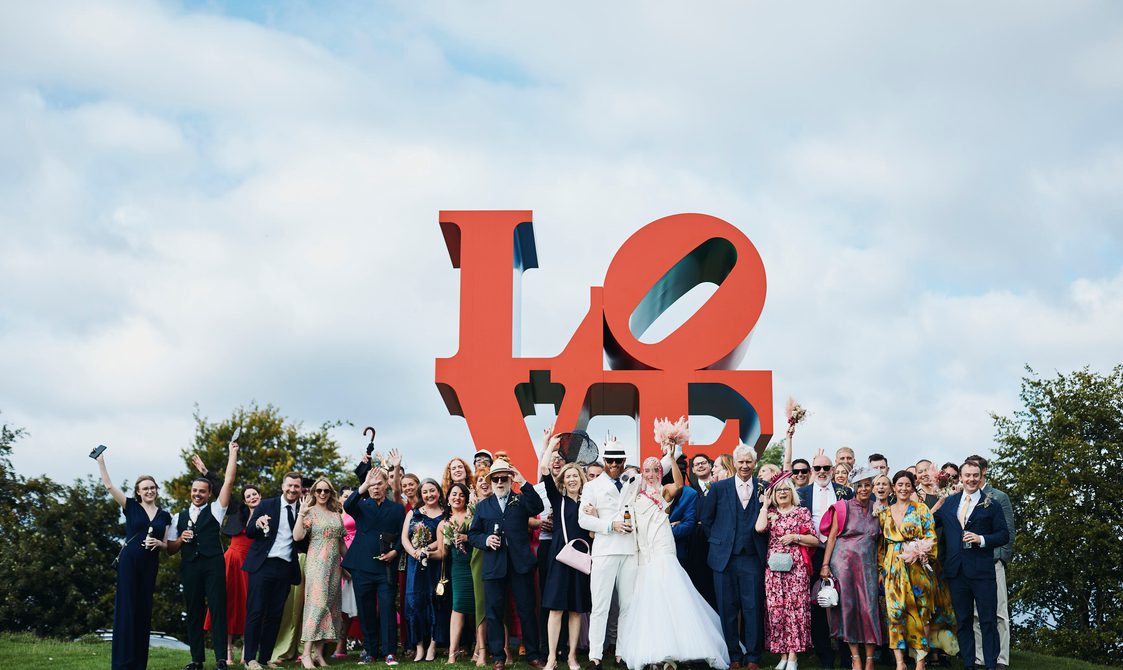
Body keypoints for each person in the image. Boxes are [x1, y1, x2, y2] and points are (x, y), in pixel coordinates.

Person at [616, 443, 729, 670]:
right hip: (644, 547)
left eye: (655, 470)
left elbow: (679, 484)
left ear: (661, 472)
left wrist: (669, 457)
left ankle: (685, 647)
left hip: (663, 545)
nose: (650, 474)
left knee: (671, 588)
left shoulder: (664, 490)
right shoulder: (636, 494)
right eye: (646, 470)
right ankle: (657, 652)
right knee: (650, 596)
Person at [166, 443, 240, 670]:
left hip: (214, 564)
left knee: (218, 609)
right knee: (194, 611)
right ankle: (196, 659)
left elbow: (228, 481)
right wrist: (180, 540)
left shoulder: (217, 510)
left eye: (202, 491)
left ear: (209, 494)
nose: (197, 494)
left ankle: (220, 659)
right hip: (190, 566)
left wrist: (232, 453)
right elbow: (170, 548)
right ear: (191, 492)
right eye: (195, 491)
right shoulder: (177, 516)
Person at [96, 453, 172, 670]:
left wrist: (159, 543)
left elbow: (167, 545)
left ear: (157, 490)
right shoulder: (130, 506)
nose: (149, 491)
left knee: (143, 610)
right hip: (130, 562)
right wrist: (101, 462)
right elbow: (110, 486)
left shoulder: (165, 515)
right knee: (126, 609)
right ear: (138, 492)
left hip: (150, 564)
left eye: (152, 487)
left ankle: (139, 664)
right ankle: (122, 663)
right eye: (145, 488)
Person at [468, 458, 546, 670]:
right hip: (494, 565)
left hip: (520, 564)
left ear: (510, 479)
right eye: (496, 478)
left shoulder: (520, 500)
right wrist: (486, 540)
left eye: (504, 478)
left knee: (527, 610)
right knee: (493, 612)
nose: (500, 482)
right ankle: (498, 657)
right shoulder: (484, 506)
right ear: (491, 481)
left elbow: (538, 506)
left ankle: (533, 655)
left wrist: (523, 481)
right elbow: (473, 534)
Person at [933, 462, 1009, 670]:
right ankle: (969, 665)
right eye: (967, 475)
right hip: (956, 572)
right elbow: (929, 522)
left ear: (981, 476)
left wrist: (981, 538)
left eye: (975, 475)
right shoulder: (949, 503)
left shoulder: (991, 504)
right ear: (961, 477)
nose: (971, 479)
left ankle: (992, 665)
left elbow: (1004, 535)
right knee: (964, 621)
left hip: (982, 572)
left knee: (988, 621)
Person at [699, 444, 768, 670]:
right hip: (723, 559)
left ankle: (753, 657)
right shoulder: (719, 488)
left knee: (753, 608)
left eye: (749, 462)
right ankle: (734, 656)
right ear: (735, 463)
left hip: (752, 558)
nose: (745, 466)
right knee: (727, 610)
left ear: (754, 463)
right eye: (741, 462)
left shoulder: (764, 487)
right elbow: (706, 520)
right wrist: (720, 541)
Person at [877, 471, 952, 670]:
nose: (903, 488)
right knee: (895, 613)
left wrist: (925, 552)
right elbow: (881, 545)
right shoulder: (884, 513)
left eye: (907, 485)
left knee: (922, 613)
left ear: (912, 487)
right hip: (893, 568)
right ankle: (900, 663)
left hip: (918, 567)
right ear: (894, 487)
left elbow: (931, 536)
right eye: (899, 484)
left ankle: (920, 663)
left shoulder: (921, 510)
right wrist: (880, 569)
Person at [578, 440, 639, 670]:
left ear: (624, 461)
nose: (614, 464)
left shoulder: (633, 483)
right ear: (604, 461)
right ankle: (595, 656)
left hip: (630, 550)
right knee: (600, 606)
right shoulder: (592, 486)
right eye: (609, 460)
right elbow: (583, 519)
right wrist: (610, 525)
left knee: (628, 605)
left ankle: (621, 654)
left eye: (618, 460)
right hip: (604, 550)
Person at [820, 466, 883, 670]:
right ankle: (855, 657)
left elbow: (883, 542)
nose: (864, 489)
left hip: (868, 566)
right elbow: (831, 537)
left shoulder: (879, 509)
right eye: (860, 486)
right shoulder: (842, 506)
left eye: (867, 485)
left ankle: (870, 659)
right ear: (854, 487)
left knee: (869, 609)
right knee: (847, 609)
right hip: (844, 564)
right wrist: (825, 564)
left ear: (872, 487)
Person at [537, 438, 593, 670]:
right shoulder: (557, 499)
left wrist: (594, 513)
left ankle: (571, 656)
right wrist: (550, 444)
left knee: (576, 610)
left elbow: (593, 532)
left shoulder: (589, 502)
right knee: (556, 609)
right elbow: (543, 468)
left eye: (575, 476)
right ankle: (551, 657)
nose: (571, 479)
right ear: (563, 481)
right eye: (568, 476)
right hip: (560, 560)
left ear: (581, 480)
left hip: (580, 561)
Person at [243, 471, 307, 670]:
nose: (292, 489)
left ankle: (264, 659)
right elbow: (250, 531)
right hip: (263, 565)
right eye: (289, 485)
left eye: (296, 486)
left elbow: (303, 543)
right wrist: (257, 523)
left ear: (300, 488)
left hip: (286, 567)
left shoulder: (303, 510)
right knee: (255, 612)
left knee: (275, 615)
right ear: (282, 486)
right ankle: (249, 659)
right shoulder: (267, 504)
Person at [344, 466, 405, 666]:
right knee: (365, 609)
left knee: (387, 609)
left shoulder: (396, 508)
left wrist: (395, 551)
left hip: (386, 567)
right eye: (372, 485)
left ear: (386, 484)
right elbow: (347, 505)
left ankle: (390, 652)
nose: (375, 488)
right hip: (362, 566)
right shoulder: (360, 505)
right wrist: (364, 485)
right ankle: (369, 651)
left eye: (379, 483)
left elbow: (401, 534)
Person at [798, 454, 853, 670]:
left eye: (826, 467)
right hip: (812, 553)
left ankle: (847, 654)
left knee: (843, 603)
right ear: (812, 470)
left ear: (831, 469)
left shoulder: (845, 492)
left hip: (840, 552)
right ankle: (825, 655)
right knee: (816, 605)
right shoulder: (802, 493)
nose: (822, 471)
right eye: (818, 467)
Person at [755, 472, 816, 670]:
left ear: (792, 493)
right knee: (777, 611)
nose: (782, 493)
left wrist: (795, 537)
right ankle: (782, 656)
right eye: (778, 490)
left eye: (786, 490)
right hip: (774, 570)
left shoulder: (802, 512)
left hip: (796, 569)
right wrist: (764, 506)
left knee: (795, 611)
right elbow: (759, 528)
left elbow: (814, 540)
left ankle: (793, 657)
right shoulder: (770, 512)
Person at [964, 455, 1013, 670]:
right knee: (975, 612)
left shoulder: (999, 497)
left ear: (983, 471)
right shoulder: (961, 496)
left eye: (977, 471)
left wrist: (1000, 558)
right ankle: (979, 656)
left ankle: (1001, 658)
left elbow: (1008, 532)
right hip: (971, 564)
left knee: (999, 612)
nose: (973, 476)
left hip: (992, 562)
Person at [292, 478, 346, 669]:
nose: (323, 494)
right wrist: (301, 514)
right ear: (314, 492)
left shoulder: (336, 515)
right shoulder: (310, 513)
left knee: (330, 607)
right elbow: (297, 536)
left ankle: (319, 654)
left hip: (334, 566)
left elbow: (341, 543)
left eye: (326, 491)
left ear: (331, 493)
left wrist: (349, 566)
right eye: (319, 491)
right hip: (316, 564)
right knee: (317, 605)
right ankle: (306, 654)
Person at [205, 484, 260, 663]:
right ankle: (227, 651)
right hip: (231, 561)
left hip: (251, 563)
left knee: (248, 604)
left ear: (260, 496)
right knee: (227, 603)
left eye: (255, 494)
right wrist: (206, 472)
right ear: (244, 500)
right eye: (248, 496)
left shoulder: (268, 514)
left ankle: (247, 650)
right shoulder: (238, 511)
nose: (252, 497)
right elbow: (224, 485)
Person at [402, 478, 447, 662]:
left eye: (432, 490)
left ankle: (433, 646)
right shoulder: (413, 513)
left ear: (438, 492)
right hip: (414, 564)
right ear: (421, 495)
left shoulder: (445, 514)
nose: (429, 495)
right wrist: (414, 552)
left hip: (434, 563)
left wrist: (426, 549)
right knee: (415, 604)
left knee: (435, 602)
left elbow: (443, 537)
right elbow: (404, 537)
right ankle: (419, 646)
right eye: (425, 492)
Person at [439, 482, 476, 665]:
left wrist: (467, 537)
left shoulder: (473, 515)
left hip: (476, 564)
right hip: (458, 568)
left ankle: (479, 649)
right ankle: (452, 653)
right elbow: (442, 553)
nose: (457, 497)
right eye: (454, 494)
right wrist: (421, 551)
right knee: (458, 606)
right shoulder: (443, 523)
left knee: (479, 606)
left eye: (461, 495)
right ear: (448, 498)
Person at [470, 466, 493, 666]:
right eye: (479, 480)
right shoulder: (473, 508)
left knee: (498, 604)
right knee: (480, 604)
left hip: (499, 556)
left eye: (487, 478)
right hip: (479, 556)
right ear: (475, 486)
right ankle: (481, 649)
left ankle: (502, 650)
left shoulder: (500, 504)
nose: (484, 482)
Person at [334, 485, 358, 659]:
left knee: (354, 603)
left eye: (351, 496)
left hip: (355, 556)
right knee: (340, 606)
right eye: (345, 496)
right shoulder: (335, 516)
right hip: (338, 559)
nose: (348, 499)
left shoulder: (358, 513)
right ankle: (339, 646)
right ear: (340, 498)